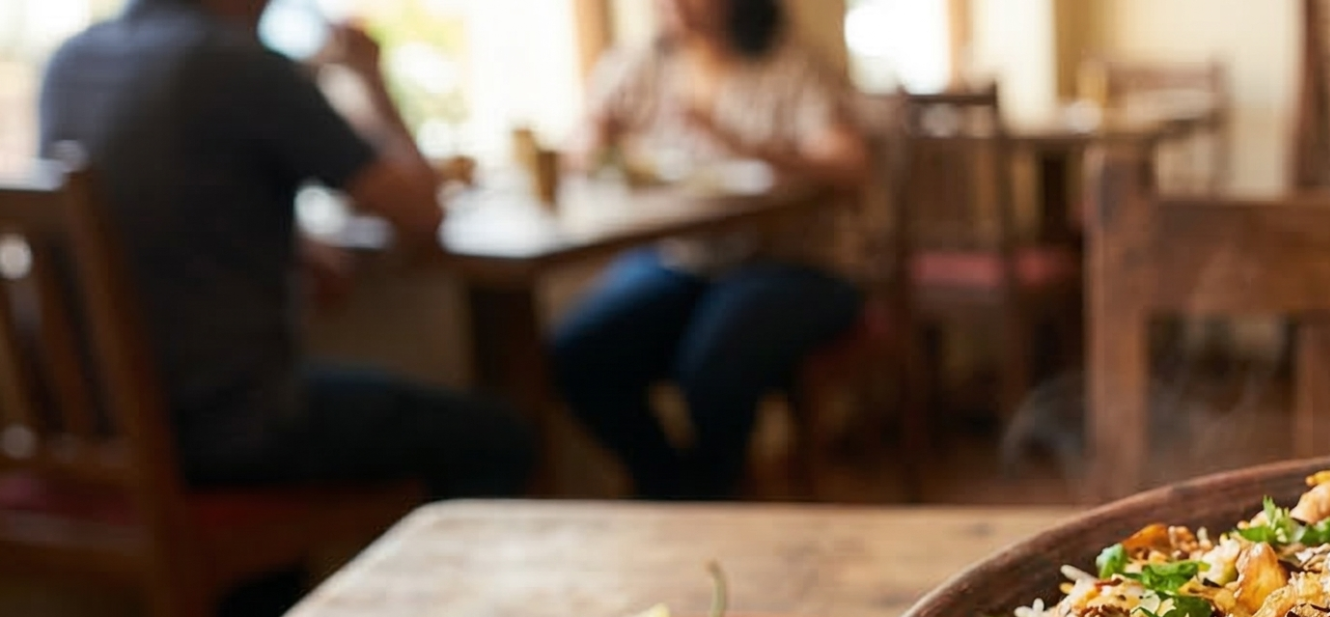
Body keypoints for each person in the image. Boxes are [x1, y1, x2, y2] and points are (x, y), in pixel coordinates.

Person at [38, 0, 536, 506]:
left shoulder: (71, 62)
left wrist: (294, 243)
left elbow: (144, 200)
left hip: (103, 428)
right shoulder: (238, 65)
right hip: (225, 431)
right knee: (499, 439)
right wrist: (371, 79)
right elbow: (421, 213)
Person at [548, 0, 870, 502]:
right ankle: (675, 490)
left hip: (800, 262)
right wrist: (595, 140)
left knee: (713, 365)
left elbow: (849, 163)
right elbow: (583, 141)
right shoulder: (642, 62)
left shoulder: (789, 62)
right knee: (580, 351)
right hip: (686, 258)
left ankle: (715, 494)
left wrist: (744, 143)